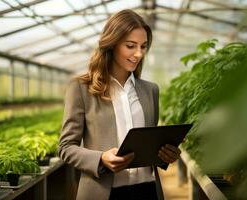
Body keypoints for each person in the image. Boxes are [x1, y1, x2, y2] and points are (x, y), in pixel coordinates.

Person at [58, 9, 181, 200]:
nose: (138, 54)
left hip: (147, 191)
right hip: (103, 193)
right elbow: (66, 147)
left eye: (143, 46)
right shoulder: (81, 88)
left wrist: (166, 155)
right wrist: (101, 159)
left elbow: (148, 146)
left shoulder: (150, 90)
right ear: (112, 43)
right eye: (130, 46)